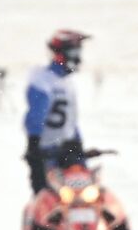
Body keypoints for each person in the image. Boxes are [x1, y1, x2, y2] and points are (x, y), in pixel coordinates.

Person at [24, 30, 89, 195]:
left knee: (81, 195)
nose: (78, 58)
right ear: (60, 54)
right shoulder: (43, 80)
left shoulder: (67, 83)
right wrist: (34, 145)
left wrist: (78, 145)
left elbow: (71, 121)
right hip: (45, 154)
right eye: (74, 53)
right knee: (47, 201)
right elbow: (36, 117)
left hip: (68, 152)